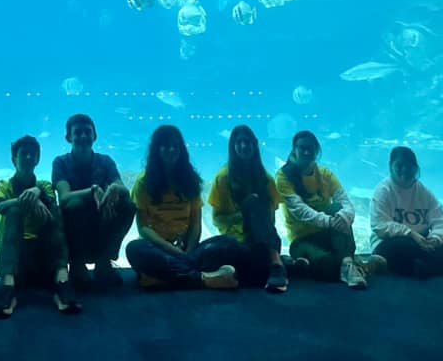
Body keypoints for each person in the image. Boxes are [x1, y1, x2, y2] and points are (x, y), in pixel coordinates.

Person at [126, 125, 238, 290]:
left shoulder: (190, 180)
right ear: (157, 149)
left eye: (175, 146)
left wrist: (189, 251)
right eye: (165, 145)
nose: (171, 149)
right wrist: (174, 251)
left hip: (187, 250)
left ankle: (165, 276)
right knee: (135, 248)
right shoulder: (144, 182)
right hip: (159, 249)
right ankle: (204, 278)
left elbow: (195, 223)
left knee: (229, 243)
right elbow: (143, 228)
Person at [275, 130, 384, 289]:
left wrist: (344, 216)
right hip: (301, 239)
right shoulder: (283, 177)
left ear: (317, 150)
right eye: (302, 147)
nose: (306, 151)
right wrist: (330, 222)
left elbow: (345, 202)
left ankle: (347, 264)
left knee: (337, 208)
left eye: (310, 148)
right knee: (326, 265)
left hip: (330, 235)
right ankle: (358, 266)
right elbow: (300, 211)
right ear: (294, 150)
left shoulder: (325, 173)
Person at [0, 135, 80, 319]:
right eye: (24, 154)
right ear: (14, 158)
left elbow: (51, 202)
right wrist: (26, 199)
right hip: (15, 259)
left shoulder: (44, 185)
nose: (29, 158)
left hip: (43, 259)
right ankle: (8, 287)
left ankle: (62, 279)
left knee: (54, 210)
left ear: (38, 159)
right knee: (13, 210)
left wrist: (37, 192)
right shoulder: (4, 186)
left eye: (33, 154)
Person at [52, 113, 135, 289]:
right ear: (68, 137)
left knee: (128, 205)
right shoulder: (60, 162)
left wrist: (113, 189)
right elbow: (65, 198)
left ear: (94, 136)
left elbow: (123, 190)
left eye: (87, 132)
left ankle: (104, 261)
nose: (83, 136)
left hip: (101, 220)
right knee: (74, 205)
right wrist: (93, 191)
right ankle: (76, 263)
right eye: (78, 132)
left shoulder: (105, 161)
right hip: (74, 224)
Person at [206, 125, 288, 293]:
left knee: (255, 203)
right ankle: (278, 263)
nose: (244, 146)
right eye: (239, 142)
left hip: (262, 242)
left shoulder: (266, 179)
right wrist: (242, 214)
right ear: (233, 146)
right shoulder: (222, 179)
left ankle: (275, 263)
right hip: (234, 242)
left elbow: (269, 220)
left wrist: (253, 215)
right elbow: (216, 219)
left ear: (254, 144)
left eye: (247, 142)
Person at [370, 146, 443, 277]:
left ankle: (417, 268)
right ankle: (426, 267)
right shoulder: (383, 191)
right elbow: (379, 225)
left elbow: (439, 221)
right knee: (403, 246)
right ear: (391, 166)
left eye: (409, 166)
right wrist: (411, 234)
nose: (404, 169)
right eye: (399, 165)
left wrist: (436, 238)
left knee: (425, 251)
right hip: (391, 242)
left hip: (424, 242)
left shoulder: (424, 192)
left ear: (415, 168)